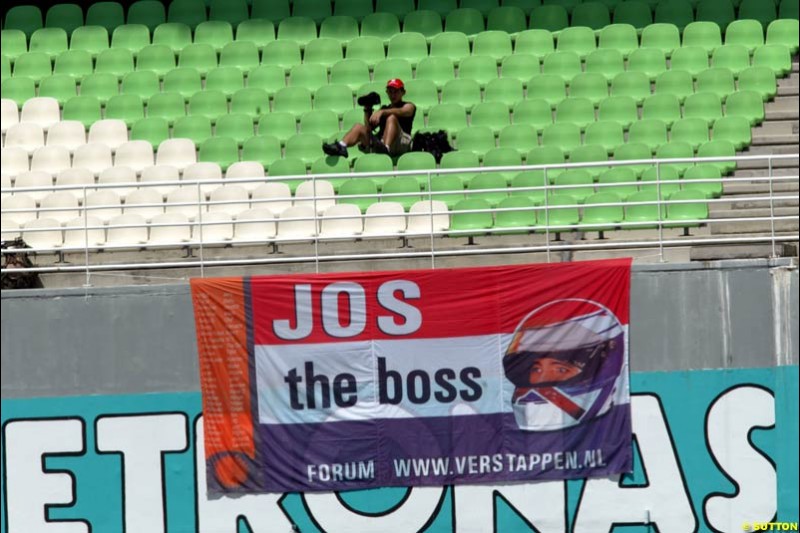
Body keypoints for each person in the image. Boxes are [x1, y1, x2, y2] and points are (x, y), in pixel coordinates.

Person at [322, 78, 416, 158]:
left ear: (403, 92)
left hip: (402, 144)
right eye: (390, 92)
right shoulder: (383, 109)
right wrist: (367, 109)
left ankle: (386, 149)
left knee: (391, 118)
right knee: (359, 127)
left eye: (396, 92)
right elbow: (369, 128)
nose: (393, 95)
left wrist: (382, 112)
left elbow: (404, 111)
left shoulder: (408, 105)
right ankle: (341, 146)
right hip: (381, 144)